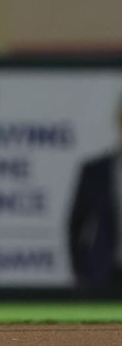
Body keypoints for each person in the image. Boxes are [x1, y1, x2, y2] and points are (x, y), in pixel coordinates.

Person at [69, 95, 122, 288]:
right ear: (118, 120)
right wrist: (80, 269)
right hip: (105, 273)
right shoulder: (95, 171)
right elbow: (76, 224)